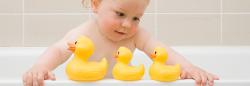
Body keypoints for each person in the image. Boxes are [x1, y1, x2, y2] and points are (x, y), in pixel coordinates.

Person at [22, 0, 219, 86]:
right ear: (96, 4)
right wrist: (40, 67)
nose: (127, 24)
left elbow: (162, 52)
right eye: (120, 14)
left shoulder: (136, 36)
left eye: (136, 18)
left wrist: (189, 67)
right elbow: (58, 50)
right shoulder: (84, 33)